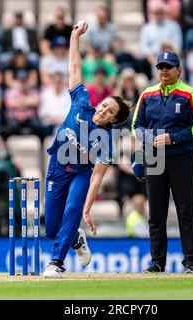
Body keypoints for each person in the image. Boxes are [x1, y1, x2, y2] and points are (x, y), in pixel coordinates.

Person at [42, 21, 131, 277]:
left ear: (114, 120)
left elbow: (96, 178)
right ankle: (75, 239)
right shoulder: (82, 103)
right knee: (52, 229)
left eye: (110, 111)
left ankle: (56, 263)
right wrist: (74, 37)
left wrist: (87, 208)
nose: (103, 109)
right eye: (104, 105)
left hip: (81, 173)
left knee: (72, 210)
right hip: (58, 166)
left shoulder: (106, 140)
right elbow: (74, 67)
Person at [132, 51, 193, 274]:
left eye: (169, 67)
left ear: (178, 70)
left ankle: (190, 262)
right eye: (161, 67)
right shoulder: (147, 94)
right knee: (156, 211)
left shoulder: (189, 94)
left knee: (186, 210)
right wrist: (150, 140)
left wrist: (172, 138)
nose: (164, 71)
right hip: (155, 157)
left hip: (181, 157)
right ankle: (157, 262)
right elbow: (137, 125)